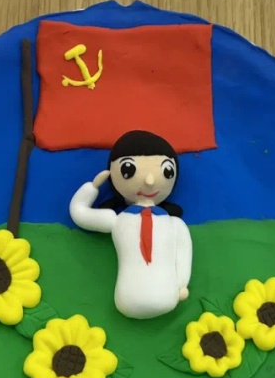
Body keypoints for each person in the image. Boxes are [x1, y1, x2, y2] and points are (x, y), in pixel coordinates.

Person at [69, 130, 192, 319]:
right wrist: (91, 188)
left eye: (166, 171)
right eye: (128, 169)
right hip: (128, 297)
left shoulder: (174, 224)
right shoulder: (116, 221)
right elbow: (80, 213)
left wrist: (182, 284)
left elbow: (183, 253)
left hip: (168, 295)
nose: (149, 180)